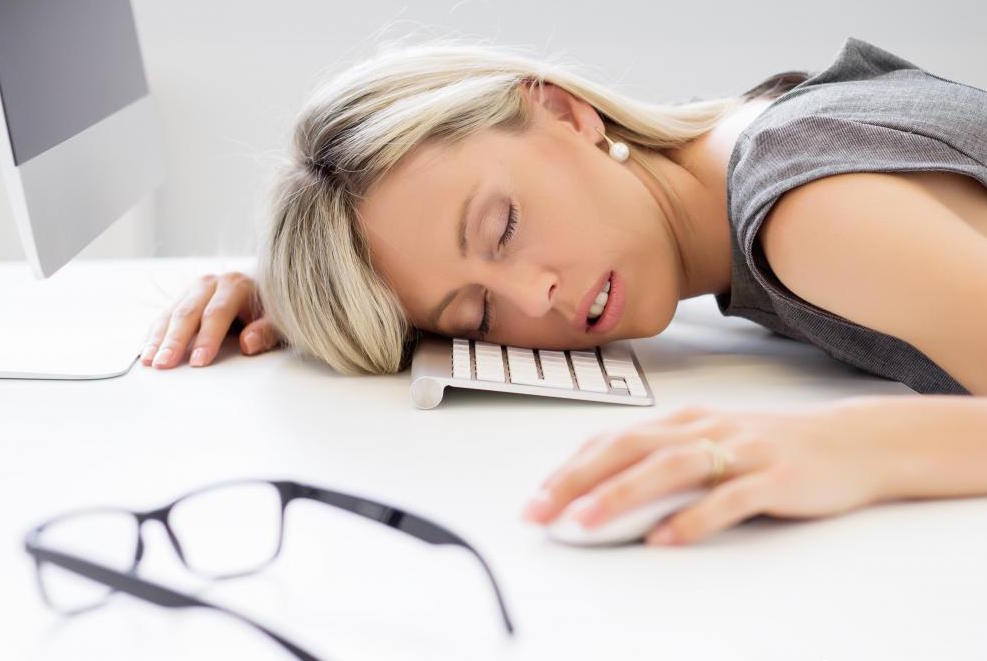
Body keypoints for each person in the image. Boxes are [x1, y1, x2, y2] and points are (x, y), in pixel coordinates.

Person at [138, 36, 987, 546]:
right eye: (473, 312)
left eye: (502, 226)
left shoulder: (803, 210)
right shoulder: (733, 152)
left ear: (565, 113)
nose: (535, 294)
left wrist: (847, 451)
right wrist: (312, 291)